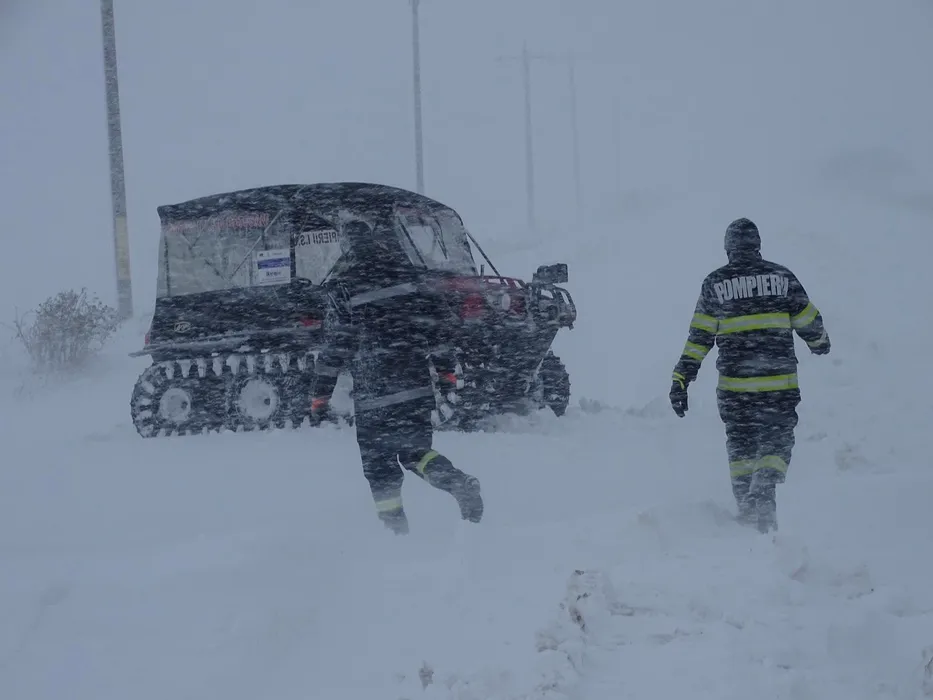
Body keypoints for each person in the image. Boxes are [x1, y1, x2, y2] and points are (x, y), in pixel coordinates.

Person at [310, 218, 483, 535]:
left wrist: (320, 396)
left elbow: (336, 346)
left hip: (374, 392)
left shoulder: (343, 286)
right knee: (416, 453)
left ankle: (396, 534)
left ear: (347, 247)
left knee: (379, 467)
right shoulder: (411, 278)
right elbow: (438, 329)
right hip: (414, 387)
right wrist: (446, 373)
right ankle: (456, 481)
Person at [669, 218, 831, 533]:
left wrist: (681, 379)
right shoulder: (782, 277)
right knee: (776, 439)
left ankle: (746, 505)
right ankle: (766, 485)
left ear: (728, 248)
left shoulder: (715, 283)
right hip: (777, 387)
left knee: (740, 445)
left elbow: (699, 338)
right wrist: (820, 343)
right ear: (757, 245)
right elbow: (810, 322)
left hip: (735, 390)